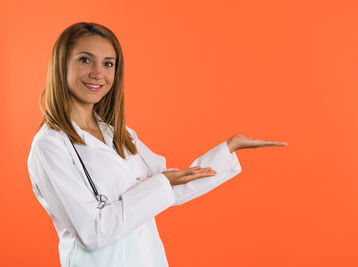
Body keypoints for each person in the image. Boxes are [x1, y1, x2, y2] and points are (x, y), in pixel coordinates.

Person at [27, 22, 288, 267]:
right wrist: (162, 183)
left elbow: (169, 189)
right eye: (85, 60)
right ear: (61, 65)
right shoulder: (50, 146)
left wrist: (229, 149)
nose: (98, 73)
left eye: (108, 64)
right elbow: (93, 232)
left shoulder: (119, 133)